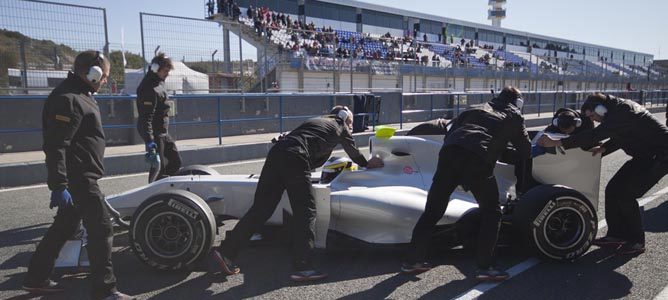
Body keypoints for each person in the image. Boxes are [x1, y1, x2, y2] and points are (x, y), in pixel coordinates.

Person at [212, 106, 384, 282]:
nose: (351, 127)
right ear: (344, 118)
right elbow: (353, 151)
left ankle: (226, 252)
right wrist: (368, 163)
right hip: (296, 156)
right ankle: (304, 267)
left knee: (262, 208)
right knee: (306, 211)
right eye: (351, 123)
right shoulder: (339, 125)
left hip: (277, 153)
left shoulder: (317, 120)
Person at [22, 51, 133, 300]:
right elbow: (56, 145)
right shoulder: (69, 99)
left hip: (80, 176)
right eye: (103, 75)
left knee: (64, 226)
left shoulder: (79, 95)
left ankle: (36, 278)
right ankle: (105, 290)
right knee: (102, 228)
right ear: (92, 73)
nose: (104, 80)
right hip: (79, 178)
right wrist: (59, 184)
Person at [402, 86, 531, 281]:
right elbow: (525, 150)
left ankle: (413, 261)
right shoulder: (514, 115)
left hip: (449, 154)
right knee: (492, 213)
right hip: (476, 159)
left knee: (433, 211)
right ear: (518, 104)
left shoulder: (474, 108)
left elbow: (451, 134)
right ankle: (485, 266)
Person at [538, 93, 668, 255]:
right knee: (613, 189)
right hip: (645, 156)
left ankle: (636, 241)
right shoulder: (617, 111)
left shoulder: (622, 111)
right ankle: (616, 235)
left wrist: (558, 143)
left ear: (600, 109)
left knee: (627, 195)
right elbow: (622, 134)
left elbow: (594, 135)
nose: (594, 120)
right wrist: (604, 148)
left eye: (592, 116)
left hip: (660, 158)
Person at [136, 53, 182, 183]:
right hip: (155, 133)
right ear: (156, 69)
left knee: (175, 162)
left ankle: (167, 188)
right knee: (158, 168)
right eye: (166, 71)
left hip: (163, 132)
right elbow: (146, 118)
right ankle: (154, 195)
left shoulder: (159, 83)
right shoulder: (148, 88)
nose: (168, 74)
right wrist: (150, 142)